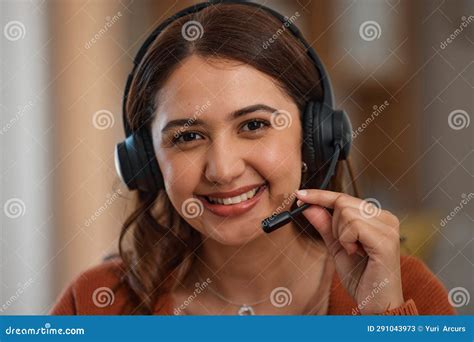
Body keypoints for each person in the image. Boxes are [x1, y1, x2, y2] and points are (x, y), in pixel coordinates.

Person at [50, 2, 454, 316]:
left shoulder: (404, 291)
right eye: (188, 136)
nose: (223, 169)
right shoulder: (95, 303)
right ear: (146, 161)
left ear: (316, 137)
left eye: (254, 125)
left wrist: (382, 317)